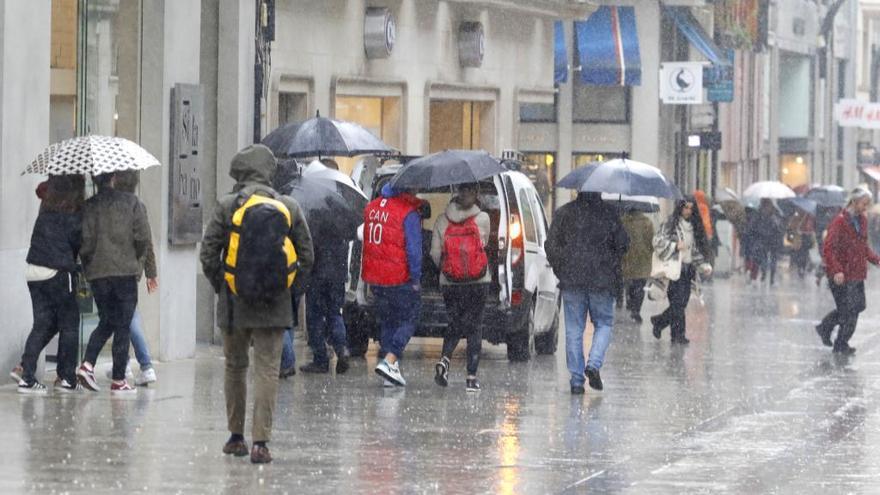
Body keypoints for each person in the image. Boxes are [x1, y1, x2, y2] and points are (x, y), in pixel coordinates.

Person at [200, 144, 314, 464]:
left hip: (234, 305)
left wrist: (224, 286)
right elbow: (307, 257)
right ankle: (261, 442)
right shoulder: (288, 207)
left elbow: (208, 255)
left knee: (235, 368)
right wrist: (288, 292)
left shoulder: (226, 206)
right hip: (274, 306)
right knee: (267, 371)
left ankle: (235, 437)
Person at [76, 172, 156, 394]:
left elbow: (86, 242)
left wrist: (90, 264)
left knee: (108, 320)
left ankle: (88, 364)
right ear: (113, 178)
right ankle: (119, 378)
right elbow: (143, 238)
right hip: (125, 273)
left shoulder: (89, 206)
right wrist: (133, 258)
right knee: (122, 325)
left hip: (99, 273)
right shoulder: (132, 203)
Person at [546, 192, 629, 394]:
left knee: (574, 330)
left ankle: (576, 380)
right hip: (602, 280)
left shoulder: (564, 213)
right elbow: (624, 245)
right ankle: (593, 364)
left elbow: (551, 246)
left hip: (573, 280)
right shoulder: (610, 213)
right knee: (604, 324)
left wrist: (562, 269)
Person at [12, 176, 84, 393]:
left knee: (44, 324)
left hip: (34, 272)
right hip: (58, 273)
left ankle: (26, 373)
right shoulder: (71, 216)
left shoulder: (44, 213)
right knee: (70, 324)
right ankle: (67, 378)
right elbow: (79, 246)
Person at [430, 183, 490, 392]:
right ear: (476, 194)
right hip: (478, 282)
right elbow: (484, 247)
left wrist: (446, 270)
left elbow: (434, 254)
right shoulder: (483, 219)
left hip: (450, 282)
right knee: (474, 327)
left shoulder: (441, 219)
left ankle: (445, 360)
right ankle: (471, 378)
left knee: (454, 322)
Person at [362, 183, 423, 387]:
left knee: (388, 320)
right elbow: (414, 250)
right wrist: (416, 278)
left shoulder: (372, 208)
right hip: (398, 276)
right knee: (409, 318)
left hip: (376, 277)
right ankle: (390, 359)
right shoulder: (408, 213)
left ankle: (388, 369)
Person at [815, 187, 880, 355]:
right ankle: (839, 342)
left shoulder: (863, 221)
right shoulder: (839, 221)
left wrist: (877, 260)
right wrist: (836, 270)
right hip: (841, 275)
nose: (866, 207)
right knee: (848, 310)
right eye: (864, 204)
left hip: (857, 273)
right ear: (854, 201)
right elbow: (829, 248)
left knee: (858, 306)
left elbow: (863, 247)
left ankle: (828, 330)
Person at [111, 170, 158, 386]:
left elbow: (144, 241)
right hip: (131, 268)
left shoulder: (116, 206)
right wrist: (150, 272)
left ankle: (145, 365)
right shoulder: (138, 205)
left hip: (121, 268)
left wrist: (151, 272)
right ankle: (125, 363)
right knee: (125, 316)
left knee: (129, 317)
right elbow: (147, 242)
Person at [650, 198, 712, 345]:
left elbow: (694, 251)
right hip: (673, 271)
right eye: (685, 208)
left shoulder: (694, 227)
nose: (688, 211)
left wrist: (703, 265)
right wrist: (674, 246)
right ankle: (677, 335)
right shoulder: (671, 224)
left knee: (681, 304)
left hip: (688, 271)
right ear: (680, 208)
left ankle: (661, 322)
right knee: (677, 304)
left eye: (691, 208)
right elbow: (657, 241)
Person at [299, 226, 352, 374]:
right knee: (335, 314)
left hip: (317, 277)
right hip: (337, 278)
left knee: (314, 317)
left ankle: (320, 360)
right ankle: (342, 349)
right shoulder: (342, 224)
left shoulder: (313, 223)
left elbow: (309, 252)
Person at [620, 208, 654, 323]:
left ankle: (630, 302)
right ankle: (636, 309)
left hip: (627, 257)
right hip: (642, 258)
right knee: (640, 285)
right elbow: (651, 241)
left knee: (629, 282)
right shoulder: (647, 223)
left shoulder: (623, 222)